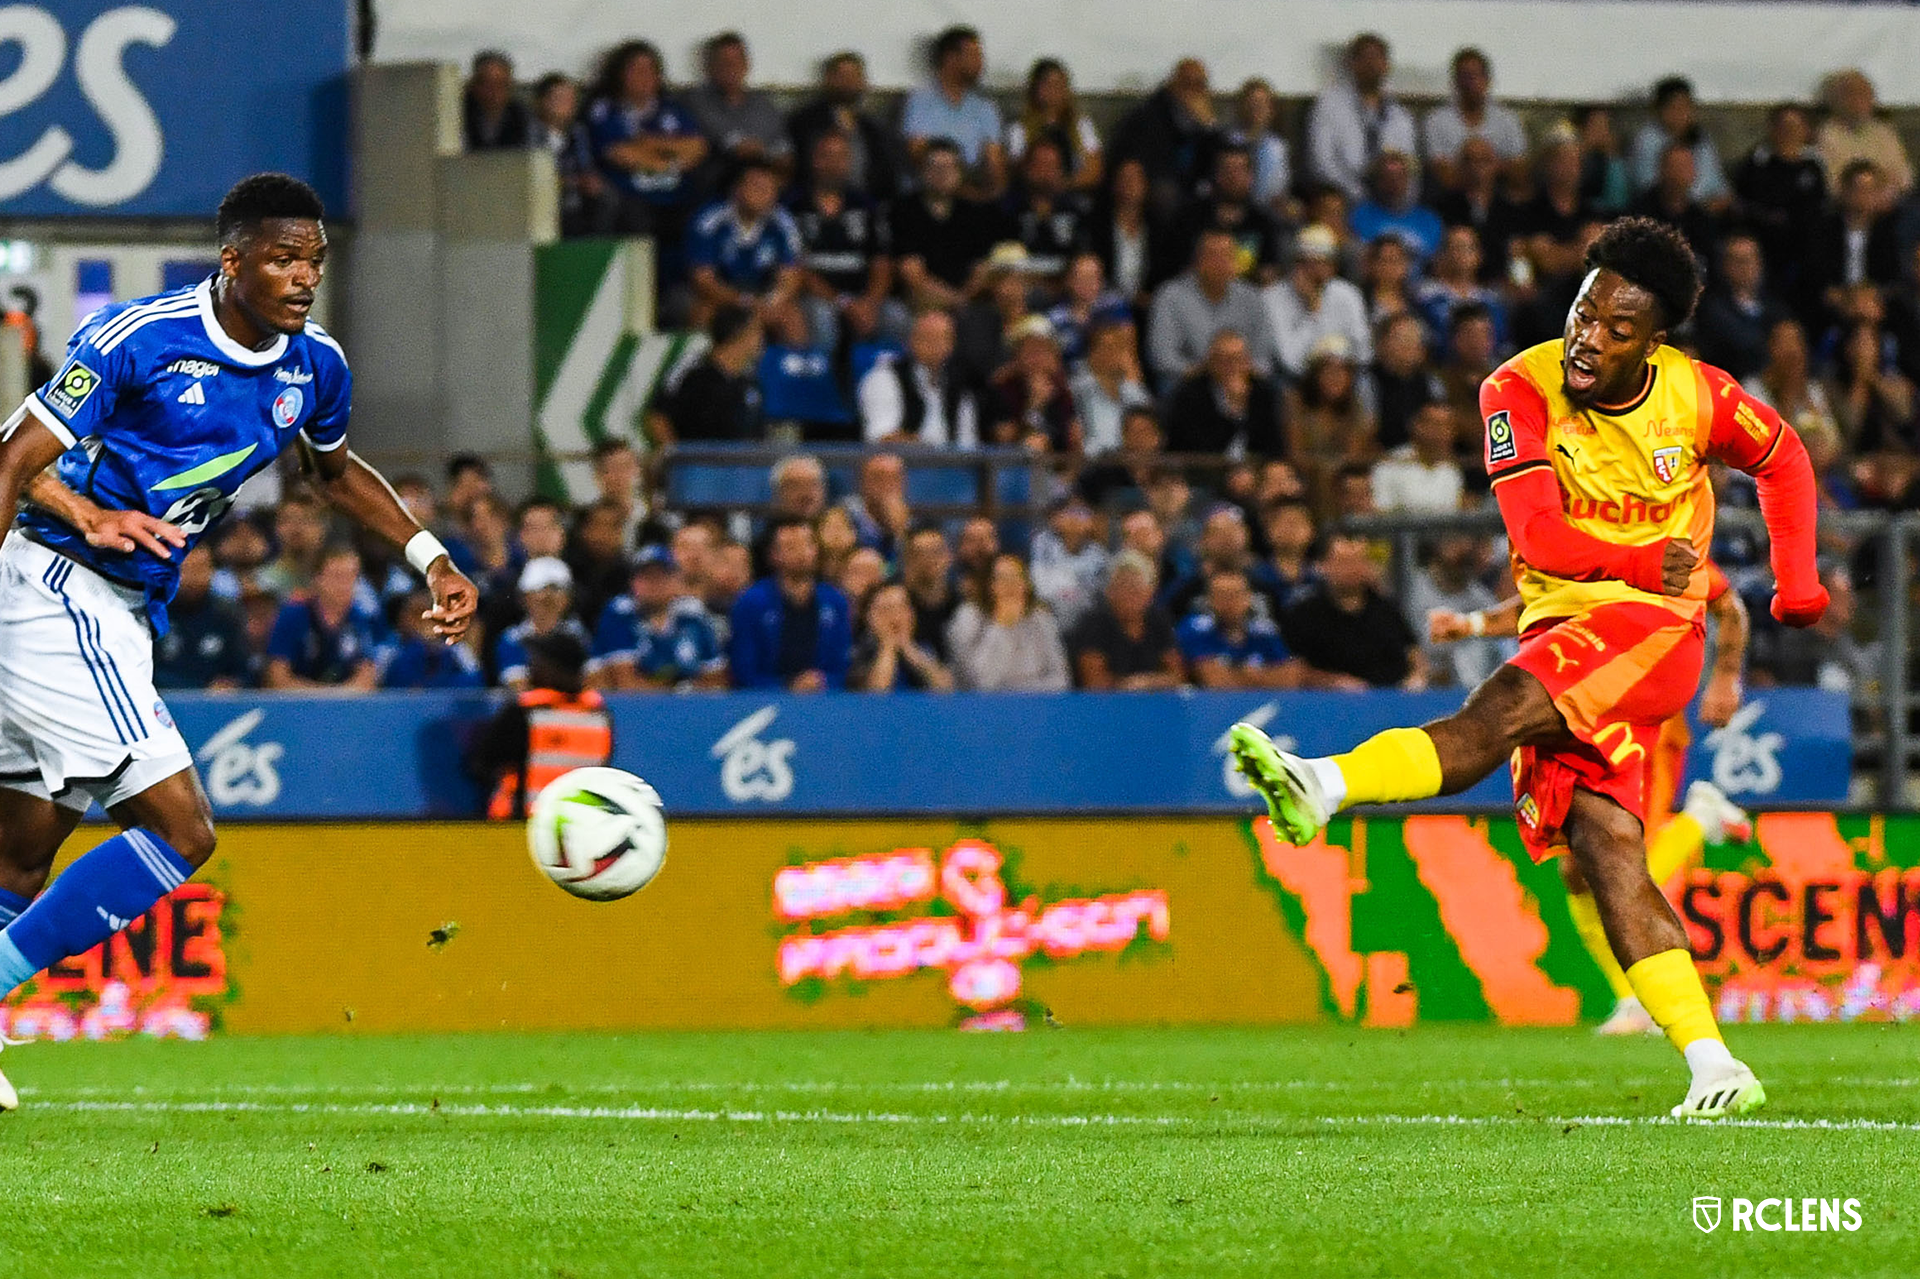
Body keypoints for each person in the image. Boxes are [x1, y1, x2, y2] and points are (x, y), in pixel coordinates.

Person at [1228, 218, 1825, 1119]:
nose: (1590, 336)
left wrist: (1800, 578)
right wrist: (1634, 560)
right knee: (1605, 846)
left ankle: (1324, 783)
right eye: (1586, 311)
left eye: (1619, 328)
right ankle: (1714, 1064)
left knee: (1501, 706)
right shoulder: (1517, 386)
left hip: (1658, 630)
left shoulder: (1701, 398)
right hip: (1572, 618)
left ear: (1653, 340)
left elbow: (1784, 459)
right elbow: (1538, 535)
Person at [1429, 568, 1754, 1034]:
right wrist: (1473, 626)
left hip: (1645, 726)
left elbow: (1729, 606)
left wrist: (1725, 678)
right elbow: (1545, 607)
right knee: (1576, 872)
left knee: (1616, 863)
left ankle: (1700, 818)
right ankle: (1630, 998)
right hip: (1579, 717)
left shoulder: (1655, 534)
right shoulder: (1577, 541)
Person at [468, 632, 612, 821]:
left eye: (537, 659)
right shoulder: (599, 714)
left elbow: (483, 764)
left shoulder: (525, 712)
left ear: (554, 668)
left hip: (521, 825)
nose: (531, 665)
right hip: (578, 827)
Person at [584, 41, 708, 245]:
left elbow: (697, 147)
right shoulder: (605, 110)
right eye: (636, 69)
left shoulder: (671, 110)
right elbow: (622, 154)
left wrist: (649, 142)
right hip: (632, 197)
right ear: (619, 74)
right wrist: (672, 158)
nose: (644, 76)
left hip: (677, 194)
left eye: (650, 69)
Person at [788, 131, 895, 350]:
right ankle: (824, 383)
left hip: (863, 297)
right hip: (815, 298)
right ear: (814, 160)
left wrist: (870, 303)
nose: (834, 164)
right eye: (827, 156)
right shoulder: (793, 206)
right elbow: (795, 269)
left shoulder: (865, 205)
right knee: (821, 318)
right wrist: (844, 303)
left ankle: (888, 382)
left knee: (897, 316)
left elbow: (881, 263)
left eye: (841, 157)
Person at [1277, 533, 1423, 689]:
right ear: (1323, 566)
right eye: (1343, 562)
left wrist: (1417, 675)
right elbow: (1292, 668)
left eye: (1358, 561)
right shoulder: (1304, 614)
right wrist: (1332, 682)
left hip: (1392, 697)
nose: (1351, 569)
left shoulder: (1386, 609)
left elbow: (1412, 649)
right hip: (1329, 701)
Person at [727, 516, 853, 691]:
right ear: (774, 555)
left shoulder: (835, 601)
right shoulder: (750, 603)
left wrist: (823, 682)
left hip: (824, 701)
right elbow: (744, 672)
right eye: (791, 547)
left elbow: (842, 667)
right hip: (765, 700)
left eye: (807, 544)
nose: (802, 553)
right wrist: (787, 686)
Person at [1146, 228, 1276, 393]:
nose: (1220, 262)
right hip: (1190, 380)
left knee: (1272, 390)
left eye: (1227, 255)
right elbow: (1162, 357)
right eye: (1213, 255)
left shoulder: (1252, 297)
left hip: (1242, 378)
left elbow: (1264, 357)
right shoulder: (1170, 296)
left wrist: (1238, 371)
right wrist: (1211, 371)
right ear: (1197, 261)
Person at [685, 162, 803, 338]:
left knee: (791, 316)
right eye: (757, 187)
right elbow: (703, 280)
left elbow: (791, 276)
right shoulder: (710, 220)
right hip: (719, 293)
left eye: (770, 189)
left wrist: (772, 301)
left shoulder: (783, 222)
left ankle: (796, 365)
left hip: (761, 292)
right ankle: (704, 365)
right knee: (702, 312)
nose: (764, 194)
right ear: (737, 190)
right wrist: (742, 302)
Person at [888, 141, 1004, 313]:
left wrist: (964, 299)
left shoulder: (974, 212)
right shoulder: (904, 211)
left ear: (960, 172)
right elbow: (912, 275)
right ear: (922, 171)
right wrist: (955, 301)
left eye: (949, 167)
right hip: (921, 300)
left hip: (969, 299)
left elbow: (981, 267)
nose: (942, 173)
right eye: (935, 166)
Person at [590, 546, 726, 691]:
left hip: (686, 705)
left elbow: (716, 679)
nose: (654, 584)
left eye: (661, 576)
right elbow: (626, 685)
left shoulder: (692, 615)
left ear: (676, 580)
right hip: (622, 709)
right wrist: (679, 691)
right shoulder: (621, 613)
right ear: (633, 583)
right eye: (646, 577)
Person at [1306, 32, 1418, 205]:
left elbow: (1410, 168)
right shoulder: (1329, 105)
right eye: (1365, 57)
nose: (1371, 64)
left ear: (1386, 65)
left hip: (1391, 202)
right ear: (1352, 63)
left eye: (1377, 58)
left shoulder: (1400, 116)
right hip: (1342, 198)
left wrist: (1402, 201)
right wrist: (1357, 193)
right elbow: (1322, 163)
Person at [900, 25, 1005, 197]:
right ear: (951, 58)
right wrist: (959, 189)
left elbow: (994, 162)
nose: (980, 63)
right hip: (927, 193)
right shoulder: (920, 101)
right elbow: (918, 155)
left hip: (972, 191)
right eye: (973, 56)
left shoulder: (985, 107)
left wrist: (994, 196)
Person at [1109, 59, 1221, 216]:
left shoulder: (1205, 122)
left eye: (1200, 85)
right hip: (1157, 185)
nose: (1193, 92)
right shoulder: (1148, 116)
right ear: (1173, 85)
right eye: (1187, 84)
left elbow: (1217, 160)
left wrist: (1210, 127)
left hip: (1194, 186)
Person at [788, 51, 903, 201]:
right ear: (827, 79)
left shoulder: (875, 129)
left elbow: (887, 174)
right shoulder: (803, 123)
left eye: (854, 76)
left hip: (867, 204)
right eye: (841, 75)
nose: (848, 82)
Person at [946, 553, 1071, 691]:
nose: (1010, 585)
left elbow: (1061, 679)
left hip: (1035, 702)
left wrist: (1021, 694)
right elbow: (979, 682)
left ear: (1026, 584)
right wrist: (1001, 625)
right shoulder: (969, 616)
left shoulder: (1041, 618)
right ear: (989, 585)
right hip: (981, 705)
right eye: (1002, 578)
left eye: (1017, 577)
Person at [264, 545, 382, 690]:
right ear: (317, 578)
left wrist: (338, 696)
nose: (345, 585)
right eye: (337, 576)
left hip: (344, 705)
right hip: (297, 705)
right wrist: (324, 696)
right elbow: (277, 679)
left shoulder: (358, 617)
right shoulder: (293, 615)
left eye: (352, 576)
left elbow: (367, 678)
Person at [1263, 224, 1370, 381]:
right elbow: (1290, 362)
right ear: (1295, 264)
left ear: (1333, 266)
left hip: (1342, 377)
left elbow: (1364, 353)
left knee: (1365, 383)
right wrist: (1313, 310)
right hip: (1298, 381)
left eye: (1323, 263)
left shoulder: (1348, 294)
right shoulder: (1272, 298)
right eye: (1308, 263)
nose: (1316, 270)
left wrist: (1334, 364)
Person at [646, 304, 766, 444]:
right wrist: (679, 458)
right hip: (699, 462)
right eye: (757, 332)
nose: (761, 340)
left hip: (743, 462)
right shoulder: (692, 372)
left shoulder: (749, 380)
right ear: (739, 334)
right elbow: (657, 417)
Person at [857, 309, 979, 447]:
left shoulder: (960, 386)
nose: (936, 346)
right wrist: (933, 451)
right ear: (911, 340)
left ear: (951, 345)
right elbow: (882, 438)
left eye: (944, 338)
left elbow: (968, 445)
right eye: (927, 337)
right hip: (903, 465)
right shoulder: (883, 378)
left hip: (952, 467)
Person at [1066, 550, 1183, 690]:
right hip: (1106, 705)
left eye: (1136, 589)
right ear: (1110, 591)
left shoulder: (1158, 619)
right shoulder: (1093, 623)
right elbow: (1094, 683)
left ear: (1150, 593)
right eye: (1122, 587)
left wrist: (1145, 682)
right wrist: (1128, 685)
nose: (1129, 595)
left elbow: (1177, 675)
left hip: (1153, 702)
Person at [1162, 329, 1283, 458]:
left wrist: (1241, 407)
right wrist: (1232, 410)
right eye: (1223, 360)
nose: (1231, 366)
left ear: (1248, 362)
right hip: (1205, 469)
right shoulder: (1189, 394)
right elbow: (1195, 447)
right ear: (1210, 362)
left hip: (1253, 470)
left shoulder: (1263, 392)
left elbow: (1272, 445)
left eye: (1237, 359)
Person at [684, 32, 792, 176]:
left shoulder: (764, 103)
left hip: (765, 181)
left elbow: (784, 151)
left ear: (747, 64)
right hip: (719, 180)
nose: (731, 67)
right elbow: (738, 147)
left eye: (737, 61)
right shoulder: (696, 101)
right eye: (723, 61)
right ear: (710, 67)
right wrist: (764, 152)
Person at [1177, 143, 1285, 285]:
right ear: (1215, 174)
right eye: (1226, 169)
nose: (1233, 176)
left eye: (1239, 170)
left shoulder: (1263, 222)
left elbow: (1269, 272)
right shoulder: (1190, 217)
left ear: (1251, 176)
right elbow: (1179, 270)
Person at [1421, 48, 1527, 191]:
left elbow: (1519, 170)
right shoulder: (1435, 121)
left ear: (1487, 80)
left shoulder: (1508, 120)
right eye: (1464, 76)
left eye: (1475, 76)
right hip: (1451, 198)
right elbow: (1442, 175)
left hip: (1499, 198)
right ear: (1454, 82)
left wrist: (1476, 169)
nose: (1469, 83)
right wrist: (1489, 167)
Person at [1178, 567, 1300, 689]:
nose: (1229, 602)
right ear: (1209, 600)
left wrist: (1233, 673)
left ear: (1248, 598)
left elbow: (1289, 678)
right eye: (1221, 595)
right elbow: (1215, 681)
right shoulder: (1196, 628)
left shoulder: (1264, 632)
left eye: (1236, 594)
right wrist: (1259, 675)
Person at [152, 546, 253, 690]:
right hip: (163, 700)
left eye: (200, 569)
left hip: (214, 705)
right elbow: (145, 671)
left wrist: (231, 684)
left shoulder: (226, 614)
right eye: (185, 569)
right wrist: (200, 688)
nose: (194, 577)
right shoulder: (153, 613)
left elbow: (243, 670)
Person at [1693, 232, 1787, 383]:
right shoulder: (1713, 308)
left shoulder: (1773, 305)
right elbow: (1739, 349)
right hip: (1735, 382)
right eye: (1739, 261)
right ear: (1725, 265)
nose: (1746, 267)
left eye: (1750, 260)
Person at [529, 73, 611, 239]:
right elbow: (532, 175)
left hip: (576, 201)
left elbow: (586, 166)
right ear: (541, 102)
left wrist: (590, 181)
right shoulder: (529, 132)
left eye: (571, 99)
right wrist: (570, 181)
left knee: (607, 197)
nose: (567, 105)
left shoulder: (577, 132)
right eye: (559, 99)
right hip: (543, 202)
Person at [1628, 77, 1729, 210]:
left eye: (1686, 106)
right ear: (1661, 110)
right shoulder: (1646, 141)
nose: (1682, 113)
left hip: (1705, 212)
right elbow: (1647, 186)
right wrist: (1696, 204)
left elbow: (1718, 183)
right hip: (1665, 211)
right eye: (1675, 107)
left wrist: (1721, 200)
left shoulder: (1701, 138)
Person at [495, 556, 591, 690]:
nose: (549, 597)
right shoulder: (512, 638)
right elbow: (518, 687)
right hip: (535, 708)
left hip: (575, 709)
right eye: (540, 590)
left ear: (568, 598)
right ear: (524, 597)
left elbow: (591, 682)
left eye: (557, 590)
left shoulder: (579, 635)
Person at [1816, 69, 1914, 197]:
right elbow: (1832, 183)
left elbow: (1905, 177)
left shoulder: (1884, 132)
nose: (1859, 100)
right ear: (1833, 100)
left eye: (1864, 93)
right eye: (1850, 93)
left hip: (1891, 202)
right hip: (1847, 206)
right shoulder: (1823, 135)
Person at [851, 581, 954, 693]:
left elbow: (946, 689)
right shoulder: (860, 649)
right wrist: (888, 646)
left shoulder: (923, 647)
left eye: (902, 607)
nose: (896, 616)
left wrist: (910, 650)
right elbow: (876, 694)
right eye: (886, 609)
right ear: (869, 617)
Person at [377, 586, 485, 690]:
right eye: (416, 614)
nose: (424, 621)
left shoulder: (459, 651)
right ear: (400, 619)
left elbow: (474, 685)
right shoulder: (387, 653)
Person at [1070, 318, 1151, 456]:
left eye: (1119, 348)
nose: (1113, 354)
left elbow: (1146, 421)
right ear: (1092, 352)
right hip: (1096, 462)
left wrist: (1131, 375)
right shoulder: (1079, 388)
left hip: (1131, 460)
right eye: (1106, 347)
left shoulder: (1130, 388)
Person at [1349, 151, 1443, 266]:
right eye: (1387, 176)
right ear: (1377, 180)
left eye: (1399, 176)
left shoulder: (1429, 220)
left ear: (1408, 180)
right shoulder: (1360, 215)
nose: (1394, 182)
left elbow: (1438, 262)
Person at [1029, 495, 1109, 629]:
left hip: (1086, 622)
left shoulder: (1099, 555)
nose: (1075, 518)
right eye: (1069, 512)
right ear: (1055, 518)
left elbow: (1097, 597)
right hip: (1050, 616)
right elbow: (1040, 586)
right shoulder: (1043, 544)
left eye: (1082, 513)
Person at [1371, 400, 1464, 513]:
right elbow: (1380, 514)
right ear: (1417, 426)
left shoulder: (1451, 470)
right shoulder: (1390, 465)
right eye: (1435, 424)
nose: (1441, 432)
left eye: (1447, 426)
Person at [463, 51, 530, 151]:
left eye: (500, 84)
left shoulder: (523, 118)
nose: (493, 90)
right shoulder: (458, 116)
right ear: (474, 85)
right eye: (486, 83)